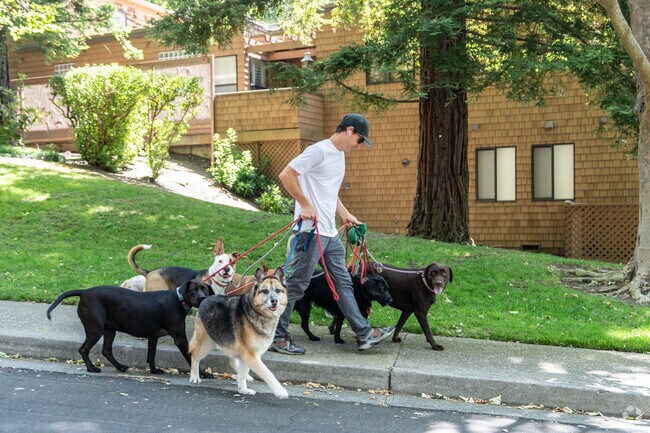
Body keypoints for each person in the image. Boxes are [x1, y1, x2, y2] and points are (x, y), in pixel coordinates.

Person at [269, 113, 395, 355]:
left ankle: (364, 333)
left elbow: (330, 192)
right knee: (296, 285)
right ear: (349, 130)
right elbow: (287, 174)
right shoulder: (319, 151)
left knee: (344, 283)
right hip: (309, 233)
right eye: (359, 140)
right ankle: (277, 336)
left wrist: (345, 214)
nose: (358, 146)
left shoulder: (338, 157)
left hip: (329, 233)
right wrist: (305, 204)